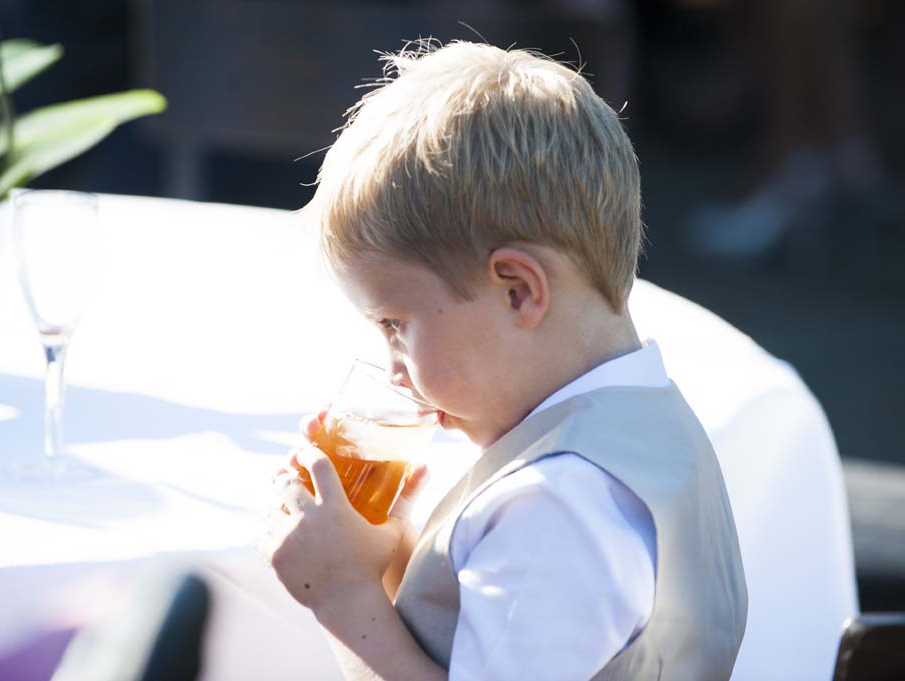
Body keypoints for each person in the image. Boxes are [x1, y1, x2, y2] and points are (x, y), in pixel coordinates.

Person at [259, 40, 748, 680]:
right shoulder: (636, 428)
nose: (394, 368)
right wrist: (392, 552)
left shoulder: (557, 505)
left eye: (397, 325)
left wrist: (342, 596)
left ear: (518, 290)